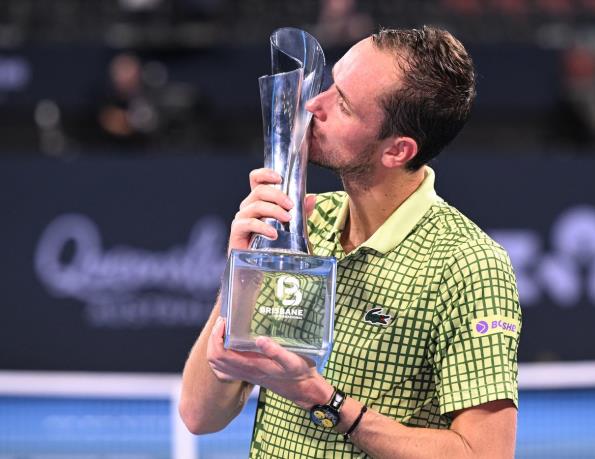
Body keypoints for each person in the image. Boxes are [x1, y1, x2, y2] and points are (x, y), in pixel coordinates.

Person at [180, 26, 521, 458]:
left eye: (342, 104)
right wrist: (239, 273)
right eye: (330, 83)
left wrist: (320, 398)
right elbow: (199, 415)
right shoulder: (302, 222)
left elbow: (483, 453)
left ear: (397, 151)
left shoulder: (468, 265)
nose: (313, 105)